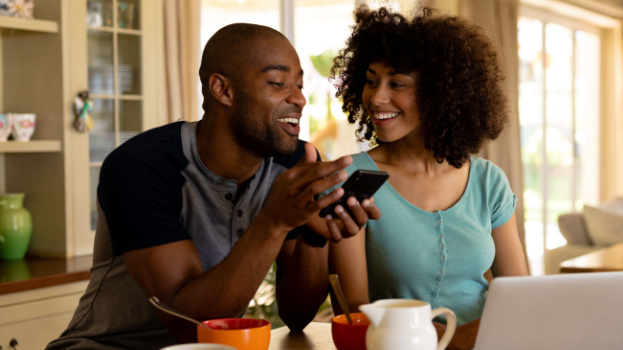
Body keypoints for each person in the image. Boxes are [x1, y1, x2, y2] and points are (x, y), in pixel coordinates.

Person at [47, 23, 379, 349]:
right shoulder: (140, 166)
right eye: (278, 83)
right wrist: (275, 221)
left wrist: (312, 235)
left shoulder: (292, 162)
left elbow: (296, 315)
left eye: (299, 85)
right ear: (222, 89)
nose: (299, 99)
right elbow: (190, 326)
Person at [328, 7, 529, 350]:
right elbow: (355, 309)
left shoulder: (487, 181)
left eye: (398, 84)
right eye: (371, 80)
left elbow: (521, 295)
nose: (377, 97)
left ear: (441, 93)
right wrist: (448, 339)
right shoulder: (352, 179)